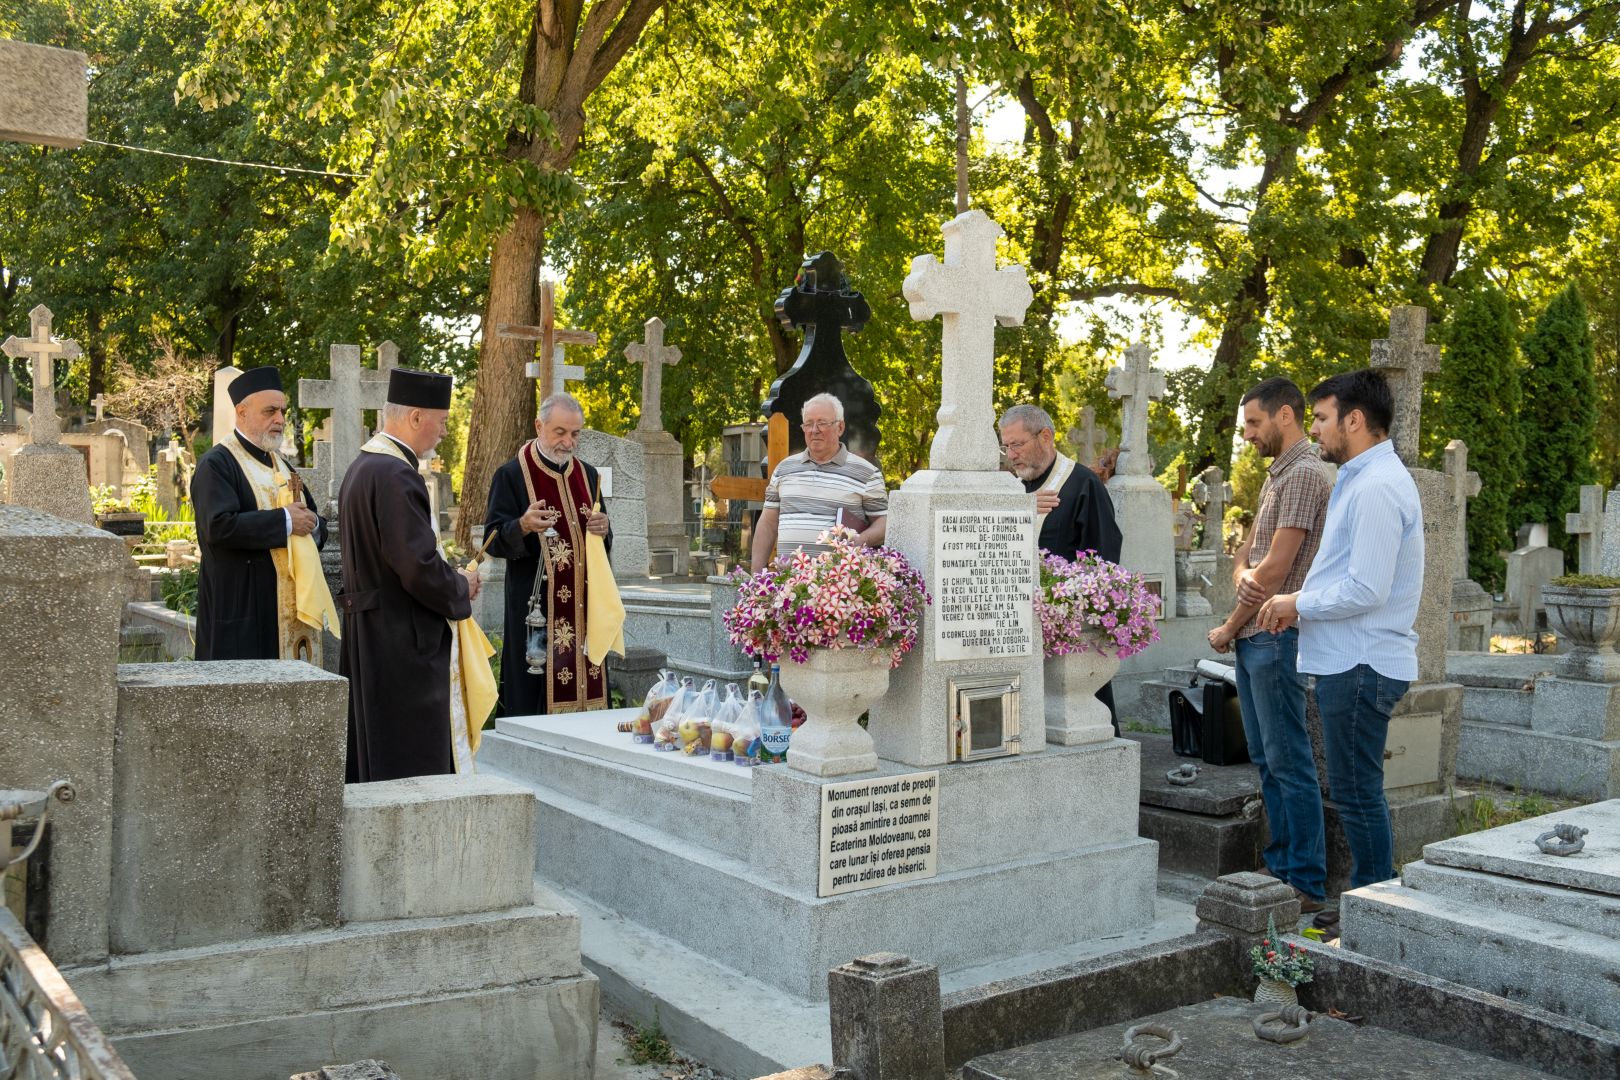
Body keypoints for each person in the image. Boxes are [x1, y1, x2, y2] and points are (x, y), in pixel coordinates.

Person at [1258, 368, 1422, 891]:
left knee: (1356, 794)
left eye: (1324, 418)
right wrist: (1300, 610)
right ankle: (1372, 902)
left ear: (1355, 420)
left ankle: (1374, 903)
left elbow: (1366, 589)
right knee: (1355, 791)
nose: (1318, 429)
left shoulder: (1376, 486)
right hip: (1350, 659)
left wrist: (1296, 601)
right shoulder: (1360, 478)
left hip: (1361, 662)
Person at [1207, 377, 1332, 912]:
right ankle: (1280, 865)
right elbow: (1244, 558)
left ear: (1285, 415)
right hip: (1257, 635)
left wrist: (1228, 627)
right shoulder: (1278, 476)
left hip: (1276, 637)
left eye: (1254, 424)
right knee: (1264, 757)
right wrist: (1241, 576)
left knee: (1288, 761)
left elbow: (1274, 571)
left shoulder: (1303, 474)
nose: (1248, 436)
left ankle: (1303, 879)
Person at [340, 367, 481, 783]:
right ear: (416, 417)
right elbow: (416, 566)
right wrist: (461, 585)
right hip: (401, 642)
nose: (442, 433)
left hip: (373, 634)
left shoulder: (364, 466)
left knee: (378, 753)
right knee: (409, 764)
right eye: (440, 422)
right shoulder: (396, 474)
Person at [483, 393, 615, 716]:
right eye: (560, 432)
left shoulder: (589, 476)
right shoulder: (511, 475)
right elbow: (492, 540)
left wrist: (604, 528)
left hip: (583, 615)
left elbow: (602, 538)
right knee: (534, 703)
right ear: (539, 426)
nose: (569, 442)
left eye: (575, 434)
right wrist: (522, 526)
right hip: (538, 615)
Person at [191, 365, 335, 661]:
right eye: (270, 411)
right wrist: (285, 521)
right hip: (242, 610)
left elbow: (311, 518)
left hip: (290, 609)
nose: (280, 420)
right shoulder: (218, 464)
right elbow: (218, 527)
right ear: (242, 412)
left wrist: (314, 525)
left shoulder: (283, 465)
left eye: (282, 411)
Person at [999, 403, 1124, 729]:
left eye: (1017, 444)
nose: (1010, 455)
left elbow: (1103, 561)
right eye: (1006, 446)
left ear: (1045, 436)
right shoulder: (1008, 489)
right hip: (1015, 628)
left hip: (1068, 633)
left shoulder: (1082, 484)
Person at [750, 393, 888, 571]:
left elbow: (884, 522)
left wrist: (860, 541)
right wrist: (756, 578)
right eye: (808, 423)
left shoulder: (866, 473)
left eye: (822, 423)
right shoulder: (784, 469)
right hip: (787, 588)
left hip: (838, 588)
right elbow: (767, 524)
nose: (814, 429)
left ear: (840, 427)